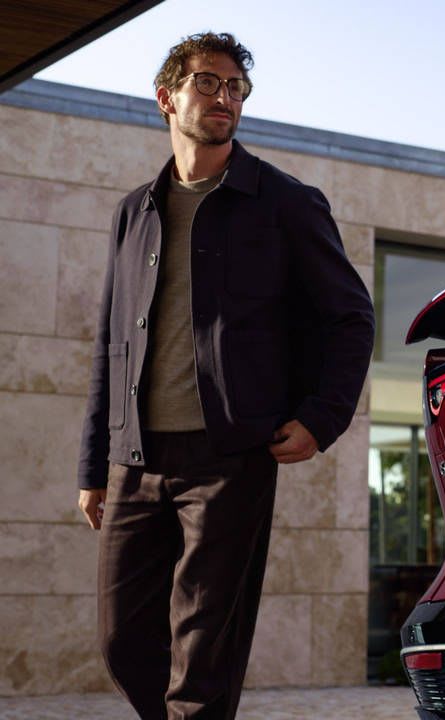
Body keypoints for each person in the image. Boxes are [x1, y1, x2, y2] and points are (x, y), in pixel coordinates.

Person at [75, 32, 374, 719]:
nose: (224, 98)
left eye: (236, 88)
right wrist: (94, 464)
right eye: (208, 83)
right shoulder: (134, 212)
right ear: (166, 97)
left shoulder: (285, 202)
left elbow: (350, 317)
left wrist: (322, 416)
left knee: (205, 648)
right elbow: (111, 344)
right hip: (136, 457)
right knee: (123, 640)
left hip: (230, 458)